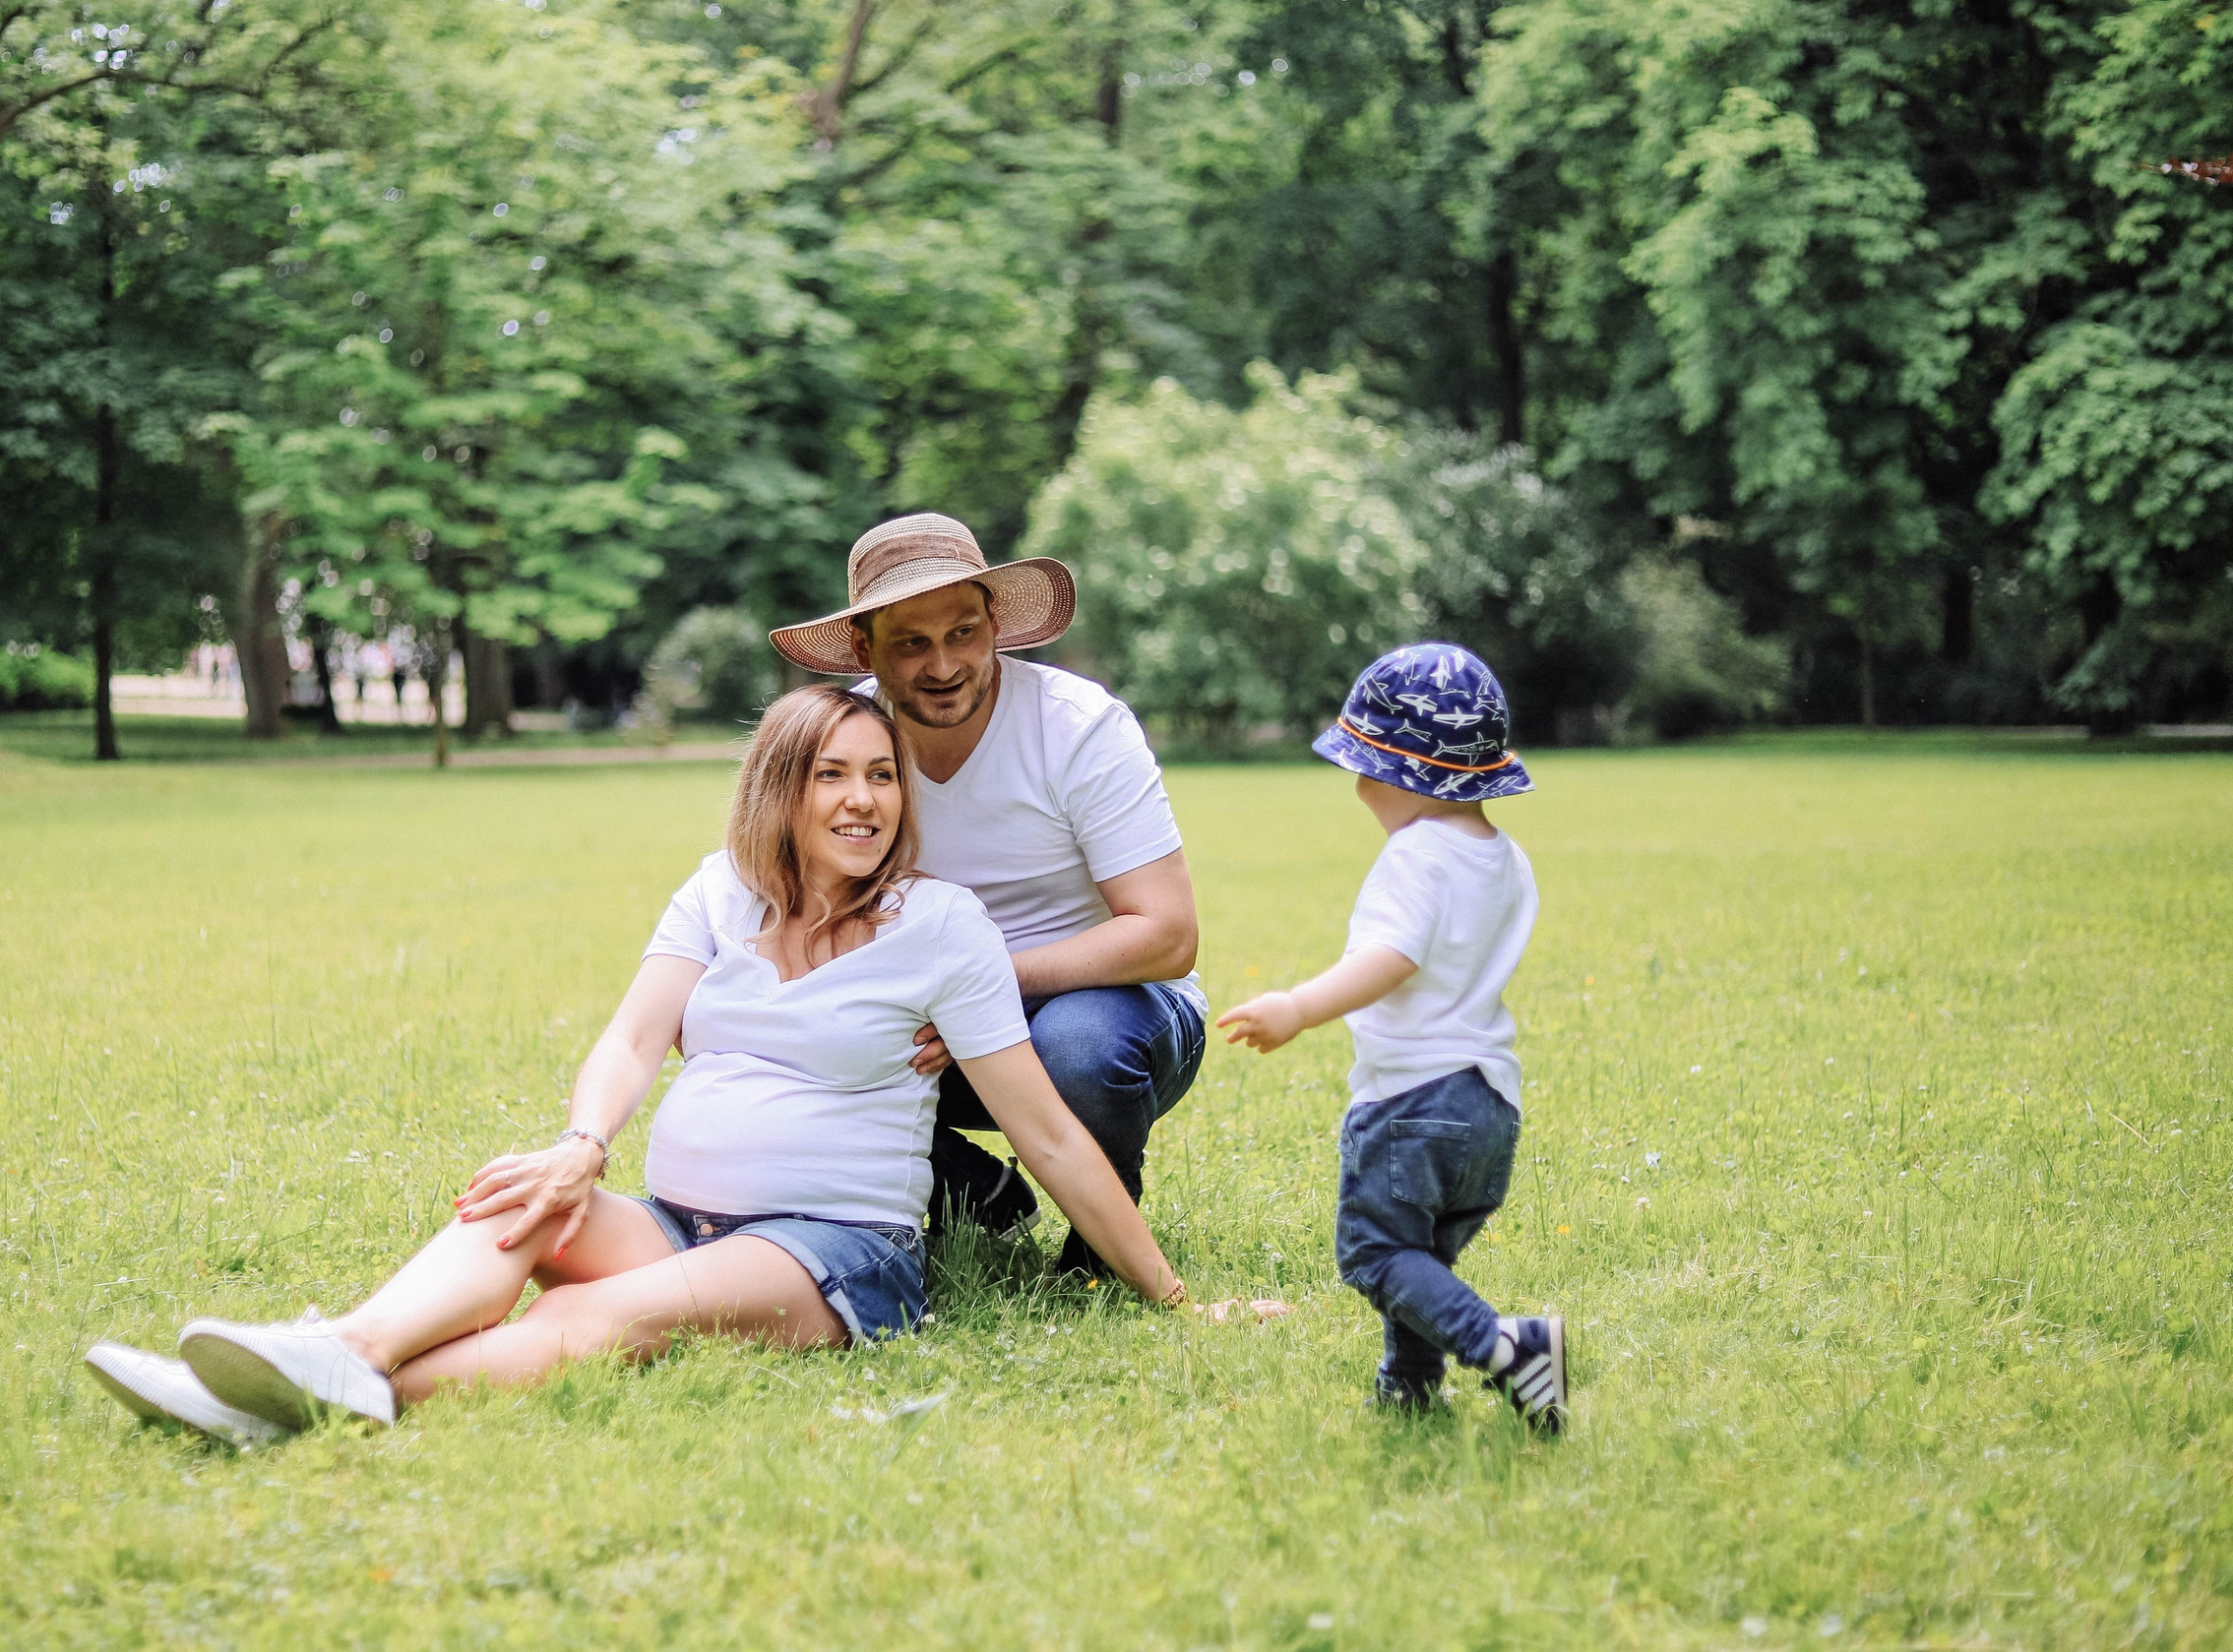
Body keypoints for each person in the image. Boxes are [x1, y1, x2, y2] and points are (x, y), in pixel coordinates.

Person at [83, 685, 1186, 1443]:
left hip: (831, 1251)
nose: (863, 799)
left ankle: (304, 1394)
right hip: (674, 1214)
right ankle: (342, 1349)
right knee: (514, 1204)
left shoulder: (943, 924)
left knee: (582, 1326)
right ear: (780, 790)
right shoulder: (719, 890)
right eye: (831, 775)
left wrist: (1172, 1294)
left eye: (883, 776)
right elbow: (630, 1036)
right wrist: (580, 1147)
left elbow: (1042, 1130)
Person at [769, 514, 1204, 1277]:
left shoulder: (1079, 727)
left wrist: (985, 981)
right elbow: (798, 915)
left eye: (963, 632)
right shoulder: (844, 745)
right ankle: (975, 1187)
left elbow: (1167, 934)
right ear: (864, 648)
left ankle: (1101, 1235)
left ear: (996, 623)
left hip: (1110, 1008)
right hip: (927, 1017)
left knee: (1080, 1046)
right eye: (911, 642)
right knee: (770, 1033)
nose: (943, 664)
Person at [1212, 643, 1568, 1433]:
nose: (1358, 786)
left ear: (1408, 773)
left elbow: (1391, 958)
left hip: (1414, 1099)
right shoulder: (1504, 859)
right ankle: (1407, 1382)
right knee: (1420, 1258)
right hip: (1489, 1104)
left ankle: (1510, 1349)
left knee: (1375, 1254)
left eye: (1364, 767)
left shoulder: (1416, 856)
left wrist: (1299, 1007)